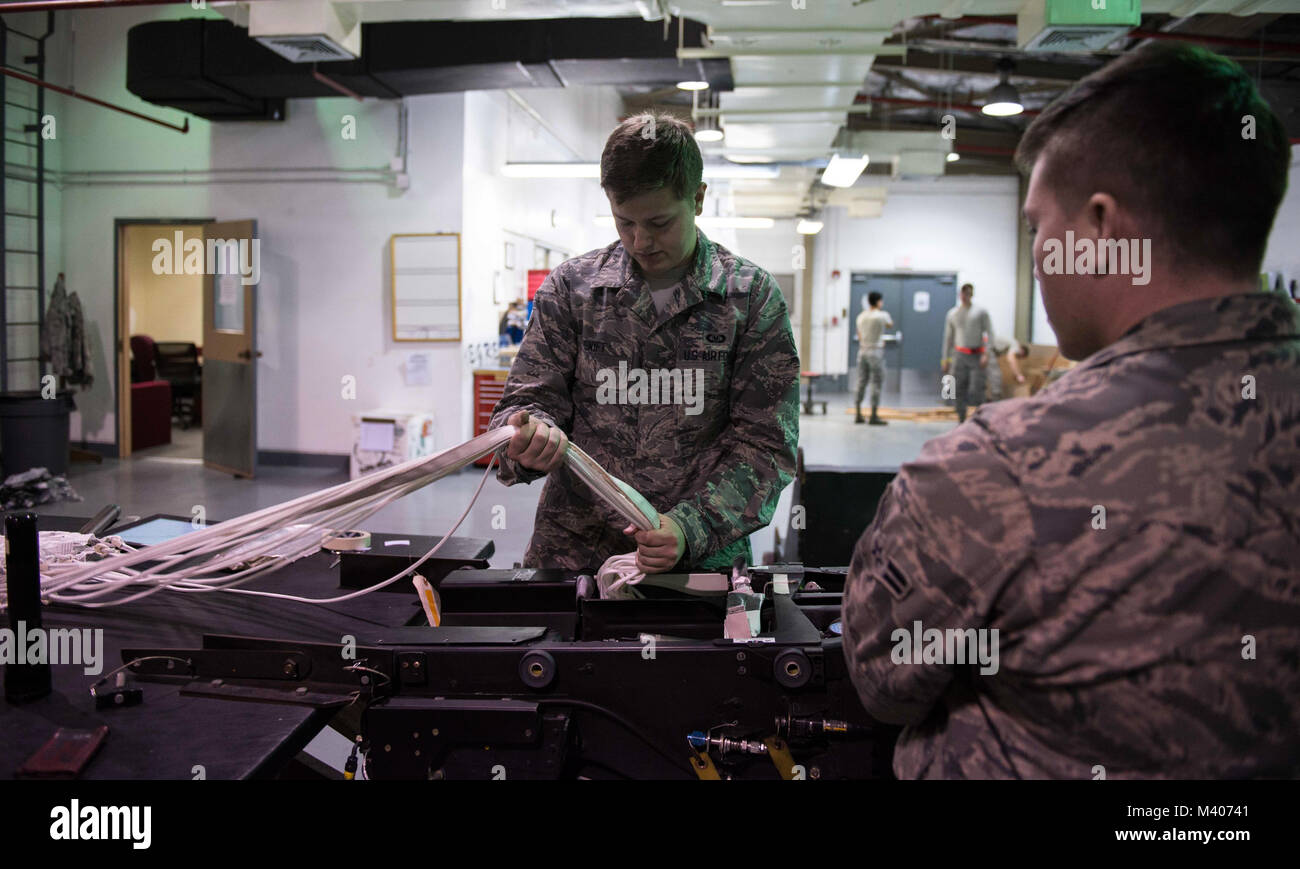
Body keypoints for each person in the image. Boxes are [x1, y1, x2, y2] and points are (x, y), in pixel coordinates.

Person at [841, 42, 1299, 778]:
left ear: (1099, 227)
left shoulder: (997, 469)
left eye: (1038, 227)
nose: (1039, 252)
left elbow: (881, 677)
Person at [488, 112, 800, 575]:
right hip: (574, 558)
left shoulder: (748, 298)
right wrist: (525, 441)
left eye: (658, 222)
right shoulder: (572, 290)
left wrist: (690, 528)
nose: (640, 240)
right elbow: (522, 407)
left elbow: (766, 447)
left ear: (697, 199)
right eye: (624, 222)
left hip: (697, 566)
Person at [940, 283, 994, 422]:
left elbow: (990, 333)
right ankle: (961, 418)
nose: (965, 296)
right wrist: (945, 359)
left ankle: (978, 420)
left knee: (977, 390)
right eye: (963, 293)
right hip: (959, 355)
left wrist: (986, 354)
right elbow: (948, 338)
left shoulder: (980, 312)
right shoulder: (953, 314)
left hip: (976, 354)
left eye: (968, 293)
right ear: (960, 294)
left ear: (972, 294)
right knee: (957, 388)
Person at [854, 292, 894, 425]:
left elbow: (859, 335)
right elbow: (890, 325)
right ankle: (873, 415)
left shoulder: (860, 316)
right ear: (878, 302)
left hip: (862, 351)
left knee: (861, 381)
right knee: (876, 383)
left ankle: (858, 413)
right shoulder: (882, 315)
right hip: (875, 352)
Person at [985, 336, 1028, 401]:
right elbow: (1011, 359)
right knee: (996, 375)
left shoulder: (1007, 345)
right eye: (1020, 356)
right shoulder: (1015, 345)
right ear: (1022, 351)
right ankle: (995, 401)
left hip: (983, 348)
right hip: (984, 347)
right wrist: (1019, 376)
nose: (1018, 358)